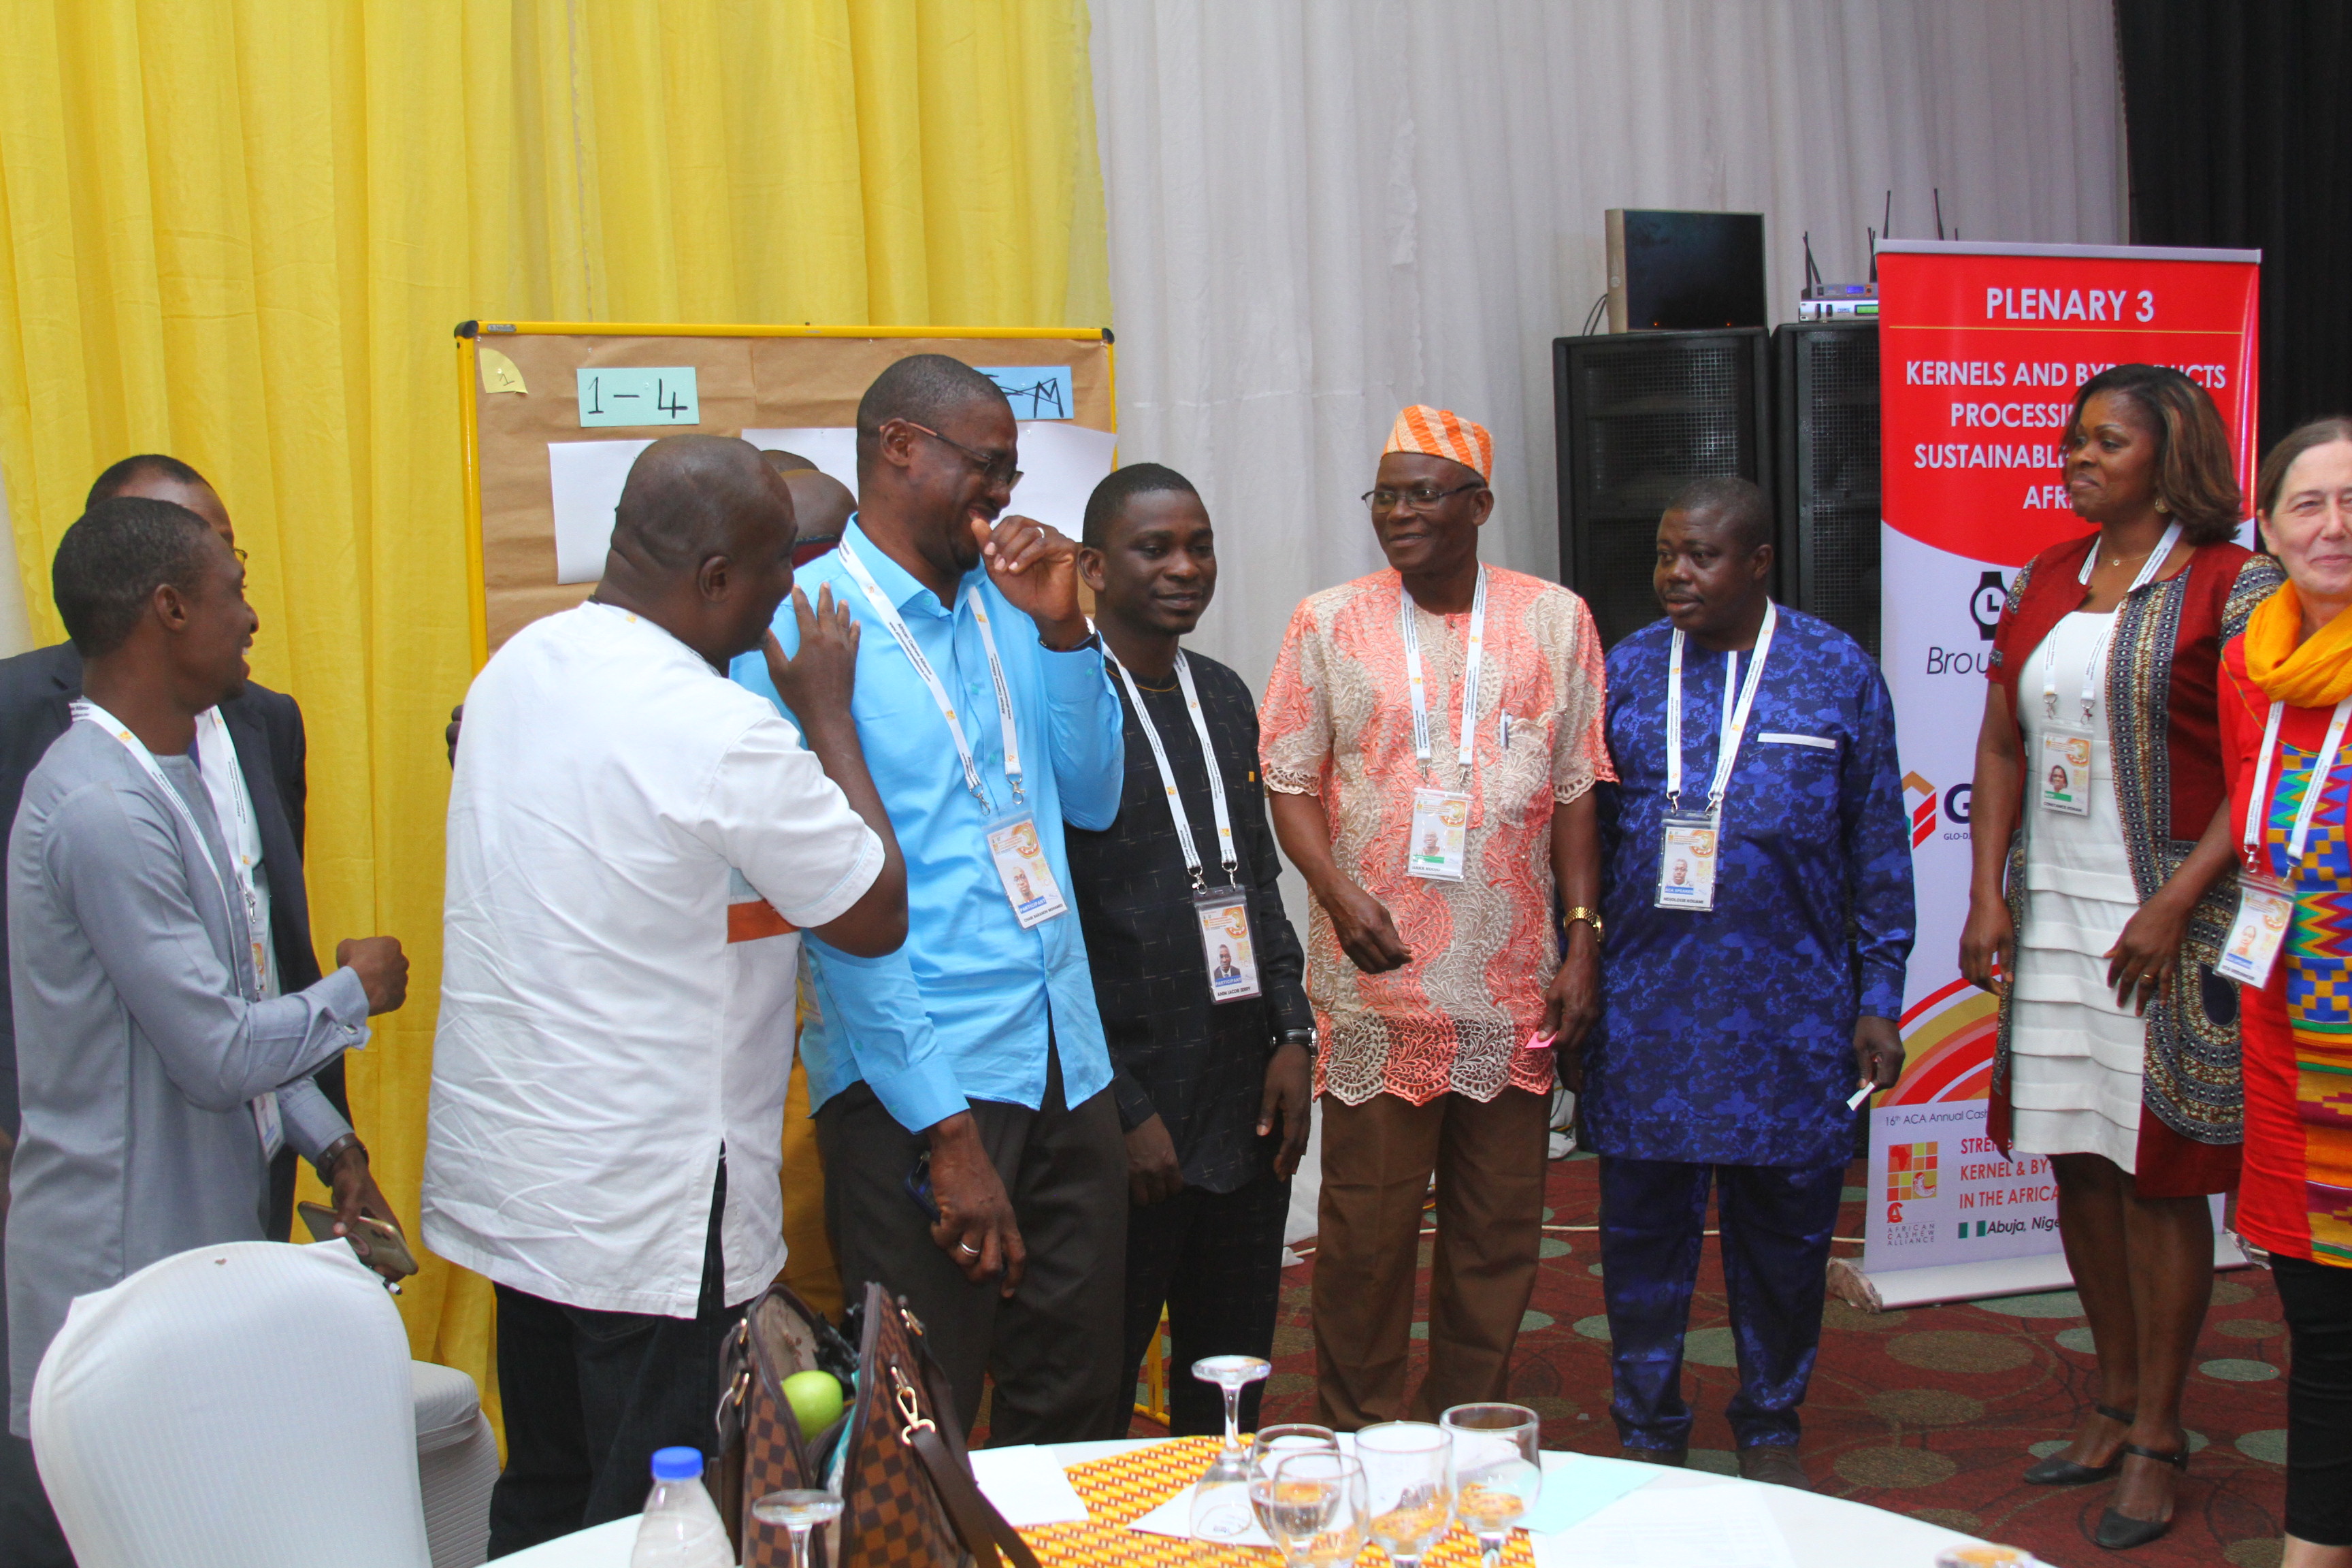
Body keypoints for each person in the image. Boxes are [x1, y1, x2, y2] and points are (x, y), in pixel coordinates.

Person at [423, 436, 902, 1552]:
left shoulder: (516, 670)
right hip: (654, 1212)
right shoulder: (719, 729)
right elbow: (874, 912)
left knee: (548, 1490)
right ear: (716, 578)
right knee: (656, 1516)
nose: (792, 592)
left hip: (530, 1186)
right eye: (780, 567)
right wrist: (829, 714)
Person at [732, 355, 1128, 1441]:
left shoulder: (1015, 605)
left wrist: (1065, 633)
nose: (1004, 494)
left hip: (1064, 1056)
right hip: (921, 1083)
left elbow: (1094, 798)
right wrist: (942, 1129)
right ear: (901, 448)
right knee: (921, 1420)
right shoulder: (799, 634)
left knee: (1078, 1399)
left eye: (1011, 471)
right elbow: (831, 910)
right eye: (987, 467)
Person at [0, 458, 354, 1566]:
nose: (251, 618)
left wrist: (330, 1141)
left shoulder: (175, 781)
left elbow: (233, 996)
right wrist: (356, 992)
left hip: (199, 1240)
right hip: (116, 1268)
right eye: (232, 589)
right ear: (169, 610)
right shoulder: (101, 806)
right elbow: (215, 1050)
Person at [1961, 364, 2281, 1549]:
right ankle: (2108, 1400)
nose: (2077, 457)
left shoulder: (2235, 584)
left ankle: (2157, 1432)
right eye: (2073, 439)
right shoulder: (2050, 573)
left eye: (2106, 442)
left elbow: (2262, 766)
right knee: (2077, 1161)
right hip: (2054, 911)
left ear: (2171, 454)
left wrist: (2176, 904)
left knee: (2156, 1174)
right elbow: (2002, 743)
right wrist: (1987, 891)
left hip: (2165, 921)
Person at [1260, 405, 1610, 1428]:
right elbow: (1289, 776)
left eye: (1422, 494)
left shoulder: (1556, 620)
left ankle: (1469, 1429)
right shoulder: (1328, 622)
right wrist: (1337, 891)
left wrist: (1582, 938)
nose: (1398, 514)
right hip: (1378, 982)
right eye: (1385, 496)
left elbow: (1578, 788)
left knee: (1498, 1231)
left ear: (1480, 505)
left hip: (1511, 985)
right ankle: (1360, 1433)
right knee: (1365, 1237)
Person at [1575, 477, 1914, 1490]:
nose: (1675, 574)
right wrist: (1578, 968)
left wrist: (1879, 995)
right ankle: (1648, 1429)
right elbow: (1582, 842)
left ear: (1760, 562)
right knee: (1642, 1241)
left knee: (1785, 1239)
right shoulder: (1628, 672)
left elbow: (1878, 845)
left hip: (1794, 1015)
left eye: (1701, 556)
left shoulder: (1835, 671)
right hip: (1648, 1013)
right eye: (1665, 554)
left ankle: (1770, 1421)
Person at [1064, 462, 1313, 1438]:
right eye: (1155, 548)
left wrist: (1292, 1035)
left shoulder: (1224, 693)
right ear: (1093, 567)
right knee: (1093, 1395)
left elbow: (1258, 884)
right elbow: (1055, 933)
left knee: (1230, 1389)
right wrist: (1123, 1108)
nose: (1185, 568)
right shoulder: (1066, 707)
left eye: (1199, 546)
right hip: (1129, 1108)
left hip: (1243, 1099)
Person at [2215, 419, 2352, 1568]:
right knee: (2324, 1329)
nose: (2335, 526)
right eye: (2309, 504)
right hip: (2296, 1050)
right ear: (2267, 527)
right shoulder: (2251, 667)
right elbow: (2262, 838)